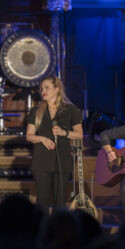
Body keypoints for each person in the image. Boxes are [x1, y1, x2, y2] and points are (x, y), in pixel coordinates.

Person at [26, 77, 83, 211]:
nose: (43, 91)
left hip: (61, 160)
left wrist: (65, 133)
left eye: (47, 88)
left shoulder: (71, 110)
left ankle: (58, 229)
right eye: (41, 88)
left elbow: (79, 134)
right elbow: (29, 136)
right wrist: (42, 139)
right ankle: (42, 228)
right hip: (41, 160)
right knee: (42, 200)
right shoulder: (36, 111)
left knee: (60, 200)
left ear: (57, 89)